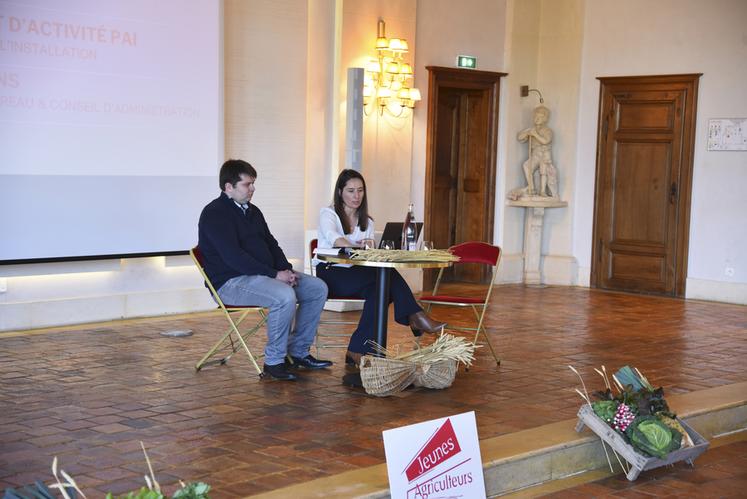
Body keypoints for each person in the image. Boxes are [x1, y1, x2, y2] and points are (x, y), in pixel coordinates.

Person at [198, 159, 332, 381]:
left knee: (317, 288)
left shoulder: (253, 211)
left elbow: (271, 244)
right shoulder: (214, 214)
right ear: (228, 187)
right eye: (247, 184)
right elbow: (234, 258)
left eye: (253, 183)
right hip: (230, 282)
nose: (252, 189)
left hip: (263, 276)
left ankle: (297, 353)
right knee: (284, 295)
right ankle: (273, 363)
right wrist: (275, 276)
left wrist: (286, 270)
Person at [314, 169, 446, 366]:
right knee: (386, 278)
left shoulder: (367, 221)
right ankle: (415, 315)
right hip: (330, 273)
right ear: (340, 192)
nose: (356, 196)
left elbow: (369, 250)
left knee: (381, 290)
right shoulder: (328, 214)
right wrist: (358, 247)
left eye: (360, 190)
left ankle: (358, 352)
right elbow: (336, 239)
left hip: (358, 274)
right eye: (351, 191)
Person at [518, 105, 557, 198]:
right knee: (527, 166)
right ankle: (531, 188)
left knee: (543, 172)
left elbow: (546, 141)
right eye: (535, 116)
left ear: (545, 119)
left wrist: (535, 134)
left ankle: (543, 191)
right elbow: (520, 138)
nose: (537, 118)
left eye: (540, 117)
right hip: (535, 154)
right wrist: (527, 133)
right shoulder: (532, 130)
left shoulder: (548, 131)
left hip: (544, 154)